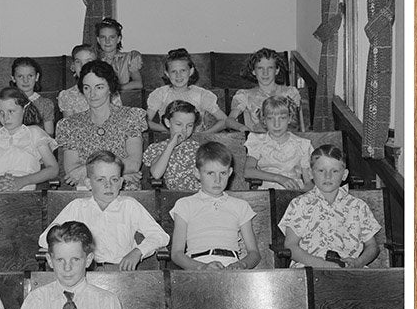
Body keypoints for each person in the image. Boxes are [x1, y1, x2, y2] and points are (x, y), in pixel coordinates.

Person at [39, 150, 168, 270]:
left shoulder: (129, 206)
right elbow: (45, 239)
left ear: (121, 182)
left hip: (121, 270)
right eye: (101, 179)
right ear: (89, 183)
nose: (108, 185)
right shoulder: (77, 207)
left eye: (114, 179)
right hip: (86, 271)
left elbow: (160, 236)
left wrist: (138, 252)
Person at [277, 144, 380, 268]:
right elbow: (291, 246)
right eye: (321, 170)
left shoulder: (358, 206)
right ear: (310, 173)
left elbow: (372, 246)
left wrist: (359, 262)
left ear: (344, 174)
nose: (328, 176)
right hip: (310, 268)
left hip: (349, 271)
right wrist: (324, 265)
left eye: (335, 171)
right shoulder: (300, 204)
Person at [169, 141, 260, 271]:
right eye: (210, 173)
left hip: (232, 265)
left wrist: (241, 264)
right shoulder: (185, 205)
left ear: (230, 172)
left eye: (222, 173)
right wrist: (202, 267)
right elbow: (177, 254)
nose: (217, 180)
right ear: (197, 173)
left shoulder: (240, 206)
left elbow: (254, 253)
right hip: (197, 265)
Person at [55, 60, 145, 189]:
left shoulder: (130, 117)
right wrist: (119, 175)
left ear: (110, 88)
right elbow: (72, 172)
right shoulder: (70, 125)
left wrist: (86, 170)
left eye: (99, 87)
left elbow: (133, 164)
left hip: (123, 189)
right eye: (87, 88)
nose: (92, 94)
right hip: (87, 190)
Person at [146, 48, 232, 131]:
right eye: (173, 71)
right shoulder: (161, 94)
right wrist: (169, 130)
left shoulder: (201, 94)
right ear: (167, 74)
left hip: (196, 141)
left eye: (183, 70)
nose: (178, 75)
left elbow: (225, 120)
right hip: (168, 140)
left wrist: (205, 135)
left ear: (191, 71)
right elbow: (145, 122)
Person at [244, 95, 315, 190]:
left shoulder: (302, 144)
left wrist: (302, 196)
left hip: (294, 191)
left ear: (290, 118)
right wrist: (278, 178)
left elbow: (308, 182)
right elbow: (248, 171)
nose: (276, 124)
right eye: (270, 118)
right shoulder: (258, 141)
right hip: (267, 191)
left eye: (282, 118)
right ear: (264, 120)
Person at [229, 48, 301, 133]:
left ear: (277, 70)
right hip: (259, 141)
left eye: (270, 68)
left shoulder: (290, 93)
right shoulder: (245, 95)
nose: (265, 73)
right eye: (260, 68)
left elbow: (296, 124)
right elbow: (229, 120)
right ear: (253, 71)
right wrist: (243, 128)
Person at [57, 44, 123, 117]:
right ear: (73, 67)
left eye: (88, 61)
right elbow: (68, 125)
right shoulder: (67, 96)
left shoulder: (109, 91)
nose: (83, 66)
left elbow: (117, 119)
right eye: (78, 61)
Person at [10, 57, 55, 136]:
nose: (25, 80)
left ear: (37, 77)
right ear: (13, 78)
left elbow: (49, 134)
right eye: (20, 76)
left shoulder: (46, 104)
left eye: (30, 76)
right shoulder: (7, 102)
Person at [95, 17, 142, 91]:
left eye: (112, 37)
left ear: (119, 39)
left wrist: (116, 88)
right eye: (103, 37)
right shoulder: (94, 59)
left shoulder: (128, 58)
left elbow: (138, 83)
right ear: (98, 40)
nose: (107, 41)